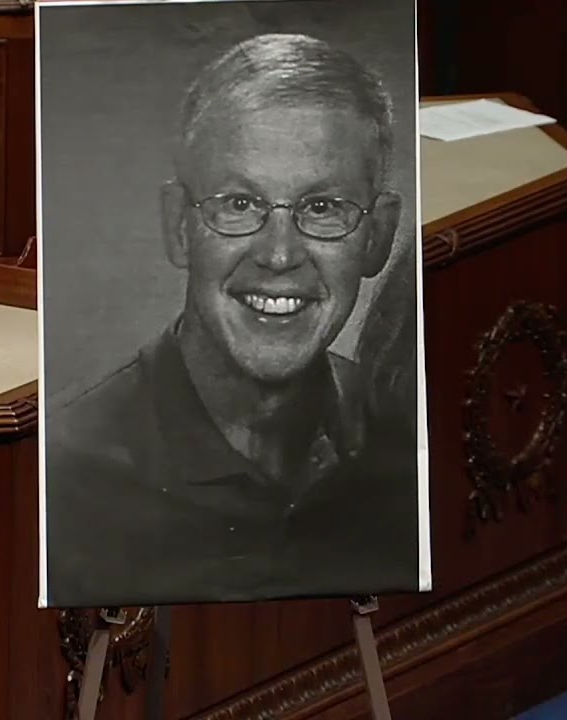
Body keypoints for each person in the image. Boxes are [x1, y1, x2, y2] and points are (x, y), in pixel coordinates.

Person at [43, 33, 420, 608]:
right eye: (239, 204)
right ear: (179, 228)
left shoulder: (397, 434)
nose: (277, 254)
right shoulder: (71, 471)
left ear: (378, 236)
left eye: (322, 208)